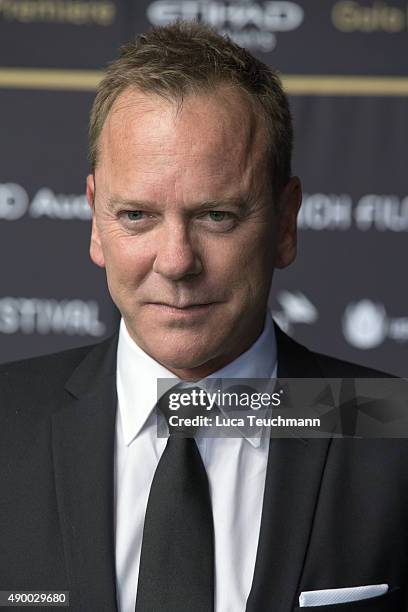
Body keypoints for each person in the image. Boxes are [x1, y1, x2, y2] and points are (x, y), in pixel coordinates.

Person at [0, 21, 406, 612]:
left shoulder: (389, 428)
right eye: (137, 215)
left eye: (217, 215)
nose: (177, 261)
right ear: (95, 219)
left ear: (285, 222)